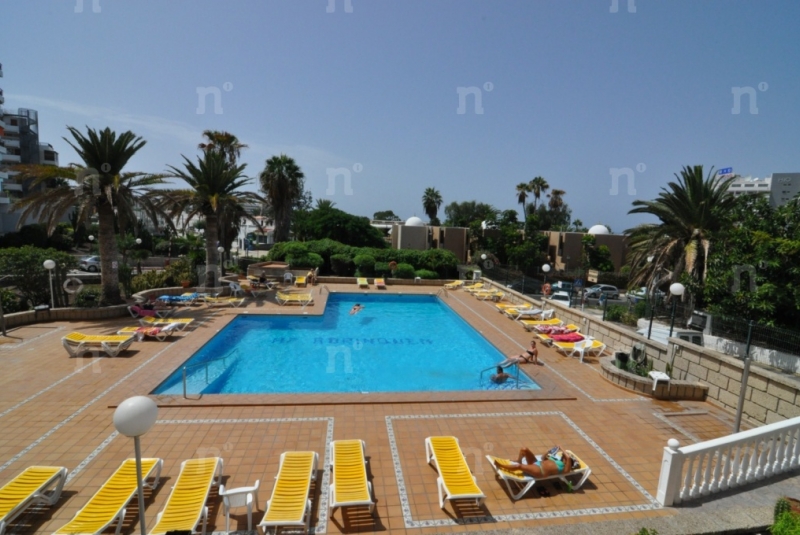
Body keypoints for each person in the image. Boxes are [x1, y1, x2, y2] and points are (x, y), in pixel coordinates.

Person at [494, 446, 573, 478]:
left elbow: (568, 457)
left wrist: (561, 447)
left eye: (564, 457)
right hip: (537, 463)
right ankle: (519, 460)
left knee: (519, 466)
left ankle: (501, 466)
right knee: (524, 449)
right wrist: (548, 451)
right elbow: (542, 458)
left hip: (540, 471)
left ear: (569, 463)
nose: (564, 457)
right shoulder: (556, 460)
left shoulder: (566, 469)